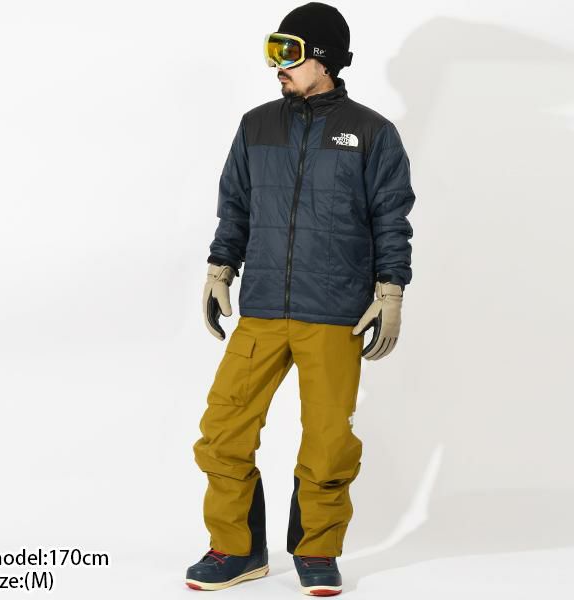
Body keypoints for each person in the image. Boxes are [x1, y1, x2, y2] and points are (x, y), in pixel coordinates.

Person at [186, 2, 415, 595]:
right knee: (223, 431)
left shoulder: (371, 133)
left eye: (288, 53)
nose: (278, 66)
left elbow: (391, 217)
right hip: (263, 308)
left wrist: (391, 289)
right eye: (274, 51)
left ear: (325, 58)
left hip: (334, 312)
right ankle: (237, 549)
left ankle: (316, 550)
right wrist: (220, 267)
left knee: (329, 442)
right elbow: (235, 206)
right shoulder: (256, 125)